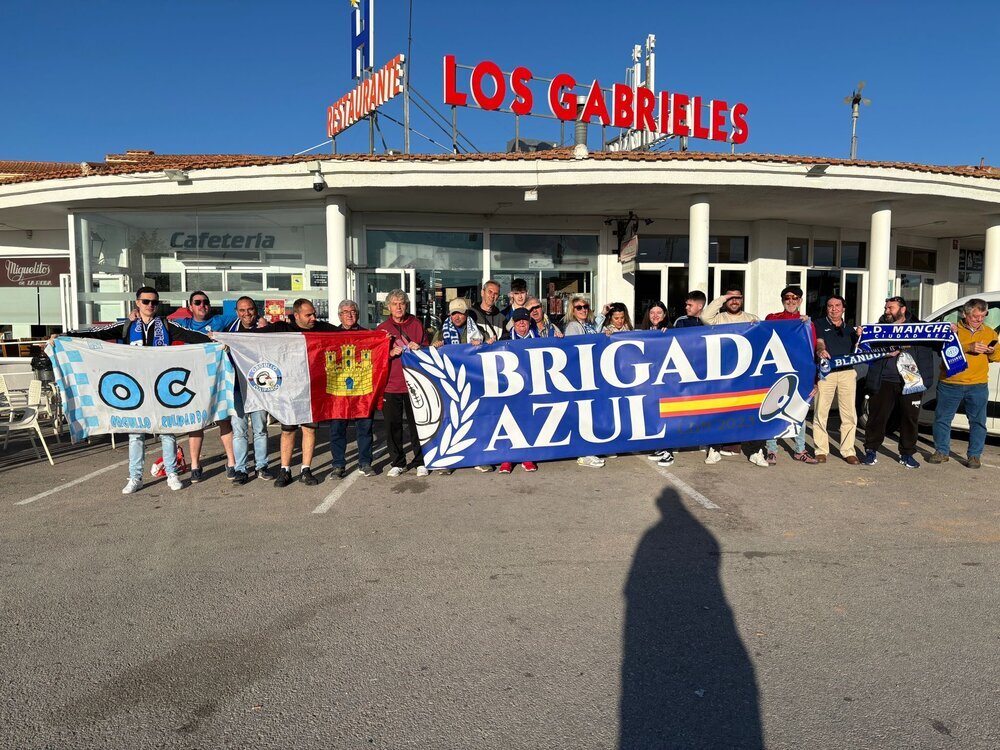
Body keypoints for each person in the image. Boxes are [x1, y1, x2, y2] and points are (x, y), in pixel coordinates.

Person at [53, 286, 210, 494]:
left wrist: (215, 342)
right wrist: (65, 336)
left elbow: (190, 335)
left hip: (161, 387)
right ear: (137, 302)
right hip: (135, 388)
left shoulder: (165, 324)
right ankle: (135, 477)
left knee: (167, 431)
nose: (150, 306)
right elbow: (99, 333)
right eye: (146, 302)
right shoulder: (128, 325)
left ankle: (172, 473)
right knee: (136, 434)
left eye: (154, 302)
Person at [260, 298, 339, 487]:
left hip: (312, 389)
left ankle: (306, 469)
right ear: (296, 315)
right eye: (308, 315)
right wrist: (224, 337)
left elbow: (348, 334)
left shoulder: (322, 328)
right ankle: (285, 470)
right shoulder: (282, 328)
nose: (313, 317)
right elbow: (253, 336)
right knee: (287, 430)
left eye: (314, 314)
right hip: (288, 389)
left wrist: (379, 336)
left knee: (309, 429)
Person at [860, 296, 936, 468]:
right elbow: (866, 350)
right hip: (884, 379)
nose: (886, 311)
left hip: (912, 382)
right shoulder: (879, 329)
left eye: (891, 308)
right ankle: (870, 450)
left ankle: (907, 453)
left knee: (909, 418)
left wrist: (950, 330)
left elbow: (938, 343)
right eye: (886, 308)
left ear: (902, 309)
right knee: (877, 417)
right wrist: (864, 337)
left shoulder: (921, 327)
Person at [173, 291, 240, 483]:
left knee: (223, 420)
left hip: (216, 379)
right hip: (193, 380)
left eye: (206, 302)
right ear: (190, 306)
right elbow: (160, 323)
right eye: (198, 302)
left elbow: (245, 314)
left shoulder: (219, 320)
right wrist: (134, 314)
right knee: (196, 423)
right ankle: (195, 465)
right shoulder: (185, 324)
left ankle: (232, 462)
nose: (203, 305)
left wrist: (261, 321)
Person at [927, 298, 999, 469]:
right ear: (965, 314)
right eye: (976, 316)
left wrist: (993, 350)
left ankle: (974, 456)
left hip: (978, 385)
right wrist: (969, 347)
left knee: (978, 422)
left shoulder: (989, 332)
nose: (980, 320)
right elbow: (941, 348)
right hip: (950, 383)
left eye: (983, 316)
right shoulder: (952, 330)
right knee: (943, 419)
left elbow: (996, 357)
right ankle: (941, 452)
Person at [701, 288, 766, 467]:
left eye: (737, 298)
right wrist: (722, 298)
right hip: (723, 373)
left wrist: (756, 328)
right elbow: (705, 317)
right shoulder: (719, 318)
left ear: (743, 299)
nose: (734, 301)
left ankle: (755, 451)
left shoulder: (751, 318)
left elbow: (762, 339)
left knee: (751, 411)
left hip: (747, 374)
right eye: (731, 298)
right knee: (719, 411)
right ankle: (714, 449)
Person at [376, 289, 430, 477]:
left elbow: (427, 351)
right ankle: (397, 462)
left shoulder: (416, 324)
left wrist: (420, 348)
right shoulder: (382, 328)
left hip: (414, 383)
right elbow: (374, 358)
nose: (399, 307)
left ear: (407, 305)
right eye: (395, 303)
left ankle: (420, 461)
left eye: (402, 303)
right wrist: (390, 354)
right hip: (391, 385)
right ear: (388, 307)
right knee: (393, 426)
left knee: (418, 424)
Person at [764, 285, 818, 465]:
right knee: (773, 410)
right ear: (782, 300)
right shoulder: (773, 318)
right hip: (776, 372)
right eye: (787, 297)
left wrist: (815, 380)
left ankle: (799, 449)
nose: (791, 300)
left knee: (799, 412)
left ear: (801, 301)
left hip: (801, 373)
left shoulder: (807, 324)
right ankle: (771, 450)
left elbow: (813, 353)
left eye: (795, 297)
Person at [430, 298, 484, 474]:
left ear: (466, 313)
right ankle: (449, 460)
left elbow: (490, 348)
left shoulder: (477, 330)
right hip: (450, 383)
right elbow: (431, 353)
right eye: (454, 313)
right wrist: (435, 346)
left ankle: (478, 458)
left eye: (460, 313)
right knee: (450, 421)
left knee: (475, 420)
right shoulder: (441, 332)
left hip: (473, 382)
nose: (457, 317)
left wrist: (482, 344)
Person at [328, 299, 378, 479]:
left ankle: (365, 463)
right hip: (338, 391)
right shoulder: (330, 335)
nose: (350, 315)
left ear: (358, 314)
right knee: (337, 429)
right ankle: (338, 465)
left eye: (353, 312)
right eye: (346, 312)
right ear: (339, 315)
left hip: (361, 389)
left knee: (365, 428)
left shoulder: (368, 335)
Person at [227, 296, 272, 482]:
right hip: (236, 387)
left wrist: (267, 330)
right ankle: (241, 469)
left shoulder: (264, 330)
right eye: (242, 310)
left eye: (250, 309)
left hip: (258, 387)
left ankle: (261, 466)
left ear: (256, 309)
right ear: (237, 312)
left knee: (260, 429)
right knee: (239, 431)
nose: (247, 314)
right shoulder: (229, 330)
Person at [813, 295, 860, 465]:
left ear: (843, 308)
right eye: (830, 306)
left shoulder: (851, 329)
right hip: (827, 373)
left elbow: (861, 347)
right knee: (821, 412)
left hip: (847, 373)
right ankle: (821, 450)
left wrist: (861, 335)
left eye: (837, 305)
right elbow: (819, 343)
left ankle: (848, 451)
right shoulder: (819, 324)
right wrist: (821, 352)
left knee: (849, 414)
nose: (834, 309)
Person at [563, 295, 605, 469]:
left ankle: (589, 449)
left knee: (590, 413)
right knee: (583, 414)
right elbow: (575, 351)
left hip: (591, 375)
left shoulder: (587, 325)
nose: (583, 309)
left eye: (585, 306)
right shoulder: (573, 326)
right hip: (581, 376)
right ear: (572, 311)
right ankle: (583, 452)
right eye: (579, 307)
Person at [498, 308, 540, 474]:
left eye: (524, 320)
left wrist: (558, 340)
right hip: (510, 387)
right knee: (507, 421)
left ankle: (526, 456)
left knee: (527, 421)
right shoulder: (505, 339)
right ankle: (506, 458)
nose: (522, 323)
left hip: (531, 387)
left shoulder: (539, 339)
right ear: (513, 323)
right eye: (518, 321)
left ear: (529, 322)